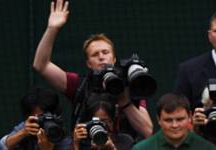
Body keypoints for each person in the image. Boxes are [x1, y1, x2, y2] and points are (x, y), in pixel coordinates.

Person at [32, 0, 152, 139]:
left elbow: (147, 131)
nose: (101, 57)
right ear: (88, 63)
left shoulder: (129, 85)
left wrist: (124, 101)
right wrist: (52, 28)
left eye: (105, 52)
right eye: (95, 54)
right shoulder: (79, 84)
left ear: (114, 59)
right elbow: (41, 65)